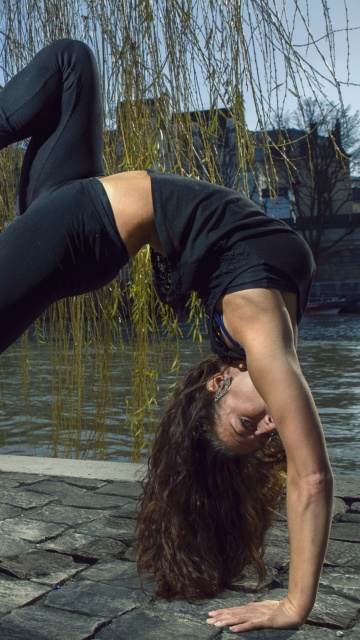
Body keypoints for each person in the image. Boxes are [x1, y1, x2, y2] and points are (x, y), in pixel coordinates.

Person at [0, 39, 333, 633]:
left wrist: (292, 605)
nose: (271, 422)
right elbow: (307, 474)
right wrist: (294, 603)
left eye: (247, 425)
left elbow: (309, 478)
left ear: (217, 383)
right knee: (70, 63)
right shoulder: (268, 334)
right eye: (260, 430)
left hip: (81, 232)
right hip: (80, 205)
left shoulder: (259, 333)